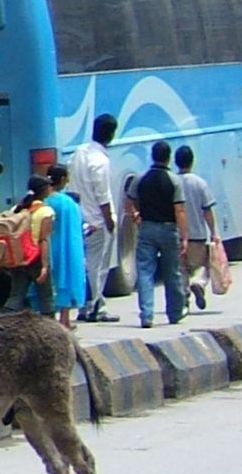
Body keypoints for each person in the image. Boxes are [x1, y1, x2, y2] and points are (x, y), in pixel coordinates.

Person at [124, 138, 188, 327]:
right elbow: (180, 210)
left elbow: (128, 203)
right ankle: (175, 313)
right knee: (172, 272)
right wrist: (185, 237)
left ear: (152, 157)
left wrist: (136, 215)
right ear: (168, 158)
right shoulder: (174, 180)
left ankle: (147, 315)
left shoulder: (140, 178)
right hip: (169, 229)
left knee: (145, 272)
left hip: (147, 229)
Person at [75, 113, 119, 323]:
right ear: (111, 134)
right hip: (97, 221)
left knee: (85, 264)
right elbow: (103, 195)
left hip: (80, 218)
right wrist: (109, 221)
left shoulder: (79, 153)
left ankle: (85, 305)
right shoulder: (100, 161)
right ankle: (96, 307)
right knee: (98, 266)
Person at [1, 175, 56, 314]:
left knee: (16, 296)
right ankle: (50, 331)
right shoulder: (46, 211)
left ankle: (5, 326)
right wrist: (44, 266)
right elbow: (43, 239)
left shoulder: (17, 208)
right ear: (44, 190)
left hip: (20, 256)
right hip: (36, 257)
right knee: (46, 298)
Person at [43, 163, 88, 323]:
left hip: (45, 248)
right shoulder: (68, 203)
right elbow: (76, 231)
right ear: (62, 179)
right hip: (65, 248)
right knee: (65, 279)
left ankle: (47, 320)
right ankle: (65, 319)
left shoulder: (42, 200)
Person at [176, 146, 219, 312]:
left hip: (178, 235)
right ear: (192, 161)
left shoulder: (173, 182)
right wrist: (214, 232)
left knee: (181, 270)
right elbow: (207, 210)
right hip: (197, 235)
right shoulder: (199, 183)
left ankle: (183, 300)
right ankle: (198, 284)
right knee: (200, 266)